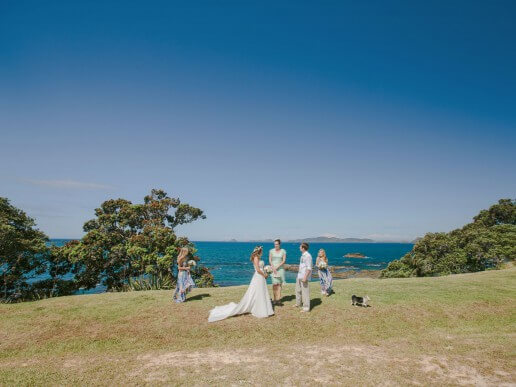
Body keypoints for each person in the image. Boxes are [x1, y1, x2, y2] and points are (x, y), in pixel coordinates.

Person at [208, 246, 274, 322]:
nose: (262, 251)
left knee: (261, 292)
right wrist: (264, 274)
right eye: (261, 250)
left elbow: (260, 269)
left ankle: (262, 308)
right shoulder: (256, 257)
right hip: (259, 276)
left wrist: (266, 271)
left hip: (261, 277)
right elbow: (258, 270)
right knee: (257, 292)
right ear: (259, 251)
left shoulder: (258, 257)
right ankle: (259, 309)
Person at [294, 242, 312, 312]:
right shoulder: (302, 255)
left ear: (303, 248)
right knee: (297, 290)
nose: (299, 248)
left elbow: (309, 268)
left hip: (304, 276)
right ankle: (298, 304)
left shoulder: (308, 256)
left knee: (305, 292)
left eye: (300, 247)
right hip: (299, 275)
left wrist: (305, 277)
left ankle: (306, 308)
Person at [269, 239, 286, 306]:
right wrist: (273, 267)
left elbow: (283, 260)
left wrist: (277, 267)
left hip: (280, 269)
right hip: (273, 269)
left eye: (277, 244)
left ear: (279, 244)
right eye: (275, 244)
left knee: (279, 284)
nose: (275, 245)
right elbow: (270, 260)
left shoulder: (283, 251)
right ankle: (274, 299)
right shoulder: (271, 251)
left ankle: (279, 300)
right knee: (274, 284)